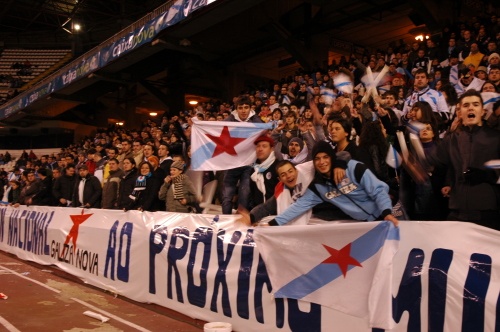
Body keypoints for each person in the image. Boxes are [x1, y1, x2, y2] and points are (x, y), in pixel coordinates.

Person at [266, 141, 399, 226]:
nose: (321, 162)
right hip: (366, 224)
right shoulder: (318, 187)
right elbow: (298, 207)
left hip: (390, 212)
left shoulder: (354, 168)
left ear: (332, 157)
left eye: (325, 157)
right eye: (317, 159)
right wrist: (272, 224)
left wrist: (386, 212)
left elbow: (378, 191)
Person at [425, 89, 500, 229]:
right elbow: (431, 161)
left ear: (483, 111)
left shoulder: (496, 138)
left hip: (488, 213)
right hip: (457, 212)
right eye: (466, 105)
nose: (471, 107)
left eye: (475, 104)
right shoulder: (451, 139)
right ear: (460, 112)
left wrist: (490, 176)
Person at [221, 95, 263, 214]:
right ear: (236, 109)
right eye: (240, 108)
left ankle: (241, 224)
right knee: (226, 197)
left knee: (244, 196)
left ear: (250, 108)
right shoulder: (229, 120)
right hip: (232, 163)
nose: (243, 110)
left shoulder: (257, 121)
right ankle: (225, 222)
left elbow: (265, 133)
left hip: (248, 164)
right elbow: (215, 129)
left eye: (246, 107)